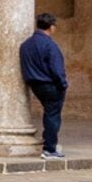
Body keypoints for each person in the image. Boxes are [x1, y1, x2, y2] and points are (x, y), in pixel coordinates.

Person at [21, 12, 70, 157]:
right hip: (50, 84)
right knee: (53, 116)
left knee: (49, 114)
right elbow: (57, 68)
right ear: (51, 27)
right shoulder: (50, 45)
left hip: (35, 84)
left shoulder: (25, 45)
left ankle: (48, 143)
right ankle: (49, 148)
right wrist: (63, 84)